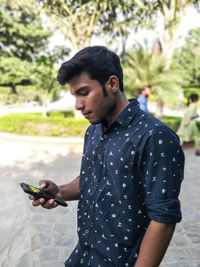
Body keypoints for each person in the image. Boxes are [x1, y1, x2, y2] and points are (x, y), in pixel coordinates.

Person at [29, 46, 184, 267]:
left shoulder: (155, 136)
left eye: (84, 93)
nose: (78, 105)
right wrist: (59, 191)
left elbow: (163, 219)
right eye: (74, 96)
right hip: (83, 256)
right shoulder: (93, 130)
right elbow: (94, 179)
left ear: (112, 84)